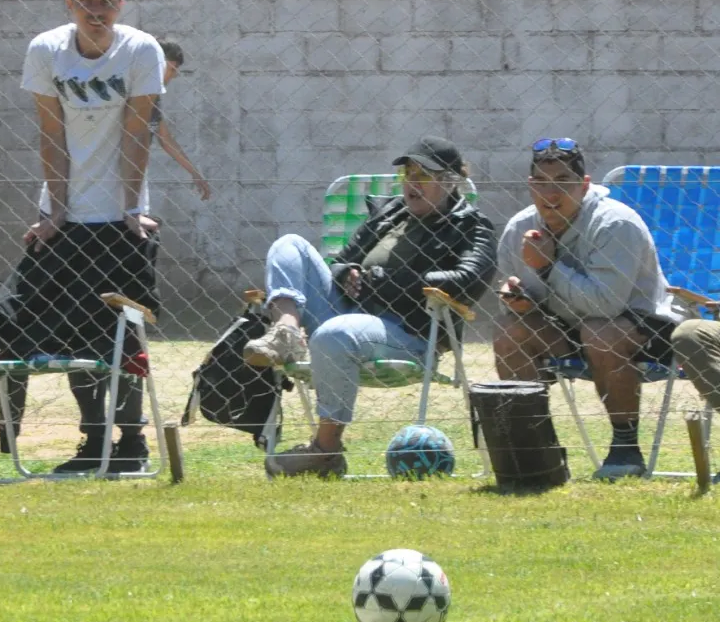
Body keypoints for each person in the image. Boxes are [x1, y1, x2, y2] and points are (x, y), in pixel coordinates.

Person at [252, 136, 495, 478]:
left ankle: (325, 451)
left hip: (407, 330)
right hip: (350, 310)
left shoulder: (471, 225)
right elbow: (341, 261)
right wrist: (346, 272)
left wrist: (386, 280)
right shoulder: (391, 211)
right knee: (289, 244)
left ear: (449, 181)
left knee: (333, 333)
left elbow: (468, 279)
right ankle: (286, 330)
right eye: (408, 173)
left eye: (422, 175)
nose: (411, 182)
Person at [18, 0, 165, 474]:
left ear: (120, 4)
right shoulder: (46, 50)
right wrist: (57, 211)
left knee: (123, 333)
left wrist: (129, 208)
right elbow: (50, 132)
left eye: (107, 0)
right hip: (66, 213)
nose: (96, 10)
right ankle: (93, 441)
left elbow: (136, 129)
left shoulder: (139, 49)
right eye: (87, 0)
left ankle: (131, 444)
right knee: (73, 331)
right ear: (70, 3)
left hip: (120, 216)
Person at [495, 138, 680, 481]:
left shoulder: (615, 223)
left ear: (584, 184)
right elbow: (521, 290)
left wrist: (549, 267)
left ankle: (625, 447)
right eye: (542, 183)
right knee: (510, 332)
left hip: (643, 328)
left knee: (599, 331)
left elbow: (606, 304)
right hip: (567, 325)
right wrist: (518, 300)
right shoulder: (518, 228)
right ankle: (534, 453)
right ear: (530, 186)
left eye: (563, 182)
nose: (551, 193)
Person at [151, 39, 210, 202]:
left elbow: (165, 139)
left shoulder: (152, 99)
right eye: (171, 68)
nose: (173, 75)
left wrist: (195, 173)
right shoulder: (130, 94)